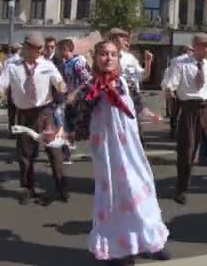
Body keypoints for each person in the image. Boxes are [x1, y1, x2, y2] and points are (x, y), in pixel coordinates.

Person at [67, 40, 170, 265]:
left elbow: (138, 107)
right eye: (103, 54)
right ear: (96, 58)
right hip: (107, 149)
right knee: (115, 196)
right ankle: (116, 247)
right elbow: (77, 115)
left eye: (113, 54)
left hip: (131, 147)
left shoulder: (126, 83)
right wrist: (65, 131)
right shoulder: (89, 87)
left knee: (141, 189)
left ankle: (149, 241)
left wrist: (152, 116)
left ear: (118, 58)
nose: (108, 58)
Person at [163, 33, 207, 204]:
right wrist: (169, 92)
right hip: (189, 109)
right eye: (206, 46)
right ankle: (181, 189)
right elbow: (169, 84)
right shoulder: (180, 63)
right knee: (186, 151)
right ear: (195, 45)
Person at [0, 32, 69, 205]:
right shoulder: (11, 66)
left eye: (39, 49)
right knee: (25, 154)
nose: (37, 52)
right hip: (24, 115)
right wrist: (0, 93)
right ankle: (27, 189)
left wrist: (61, 88)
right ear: (25, 47)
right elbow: (2, 84)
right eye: (33, 48)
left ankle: (60, 186)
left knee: (54, 150)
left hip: (45, 113)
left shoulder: (47, 65)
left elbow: (59, 82)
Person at [57, 38, 92, 149]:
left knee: (76, 121)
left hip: (80, 97)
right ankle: (69, 145)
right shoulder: (66, 64)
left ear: (66, 49)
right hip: (71, 97)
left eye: (59, 49)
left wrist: (74, 93)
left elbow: (87, 80)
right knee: (67, 121)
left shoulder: (77, 63)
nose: (57, 52)